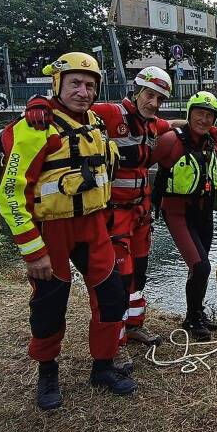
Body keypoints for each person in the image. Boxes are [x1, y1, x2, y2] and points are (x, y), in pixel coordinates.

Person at [0, 52, 133, 410]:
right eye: (75, 83)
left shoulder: (96, 123)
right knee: (49, 304)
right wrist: (32, 249)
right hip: (51, 230)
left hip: (93, 225)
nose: (83, 91)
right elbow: (9, 193)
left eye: (89, 85)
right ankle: (47, 370)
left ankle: (102, 366)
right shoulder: (34, 129)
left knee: (112, 296)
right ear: (57, 84)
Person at [25, 66, 181, 373]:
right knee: (115, 284)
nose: (154, 103)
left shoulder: (150, 123)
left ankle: (133, 325)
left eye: (160, 99)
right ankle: (115, 344)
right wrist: (37, 104)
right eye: (150, 95)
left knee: (138, 276)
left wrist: (195, 125)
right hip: (112, 215)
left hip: (140, 214)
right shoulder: (110, 114)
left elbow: (169, 125)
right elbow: (70, 110)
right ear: (136, 92)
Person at [153, 91, 217, 341]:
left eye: (209, 115)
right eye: (199, 113)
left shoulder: (214, 142)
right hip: (177, 211)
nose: (204, 119)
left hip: (204, 212)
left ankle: (196, 313)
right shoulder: (171, 141)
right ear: (189, 113)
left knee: (198, 268)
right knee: (201, 266)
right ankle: (191, 319)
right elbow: (140, 163)